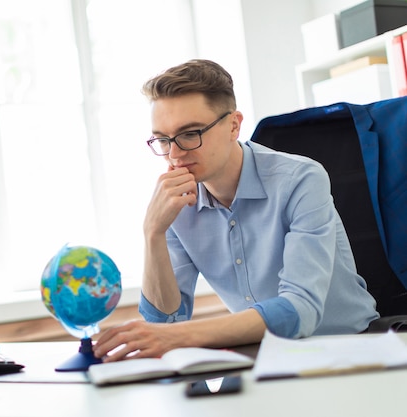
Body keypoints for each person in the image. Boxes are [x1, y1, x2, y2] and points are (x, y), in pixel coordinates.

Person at [93, 59, 379, 362]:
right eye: (163, 140)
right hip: (265, 359)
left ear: (233, 125)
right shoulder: (176, 202)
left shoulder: (301, 180)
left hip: (351, 351)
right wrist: (153, 233)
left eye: (190, 133)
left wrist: (179, 337)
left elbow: (300, 310)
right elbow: (165, 322)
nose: (174, 155)